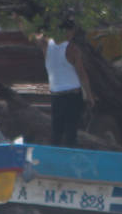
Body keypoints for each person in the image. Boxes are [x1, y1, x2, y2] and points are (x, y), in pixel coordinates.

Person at [23, 14, 96, 147]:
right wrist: (89, 95)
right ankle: (68, 161)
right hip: (73, 95)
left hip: (56, 95)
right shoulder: (72, 49)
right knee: (71, 132)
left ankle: (55, 159)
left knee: (57, 131)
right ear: (70, 31)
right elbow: (81, 73)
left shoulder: (46, 44)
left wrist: (18, 19)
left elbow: (31, 34)